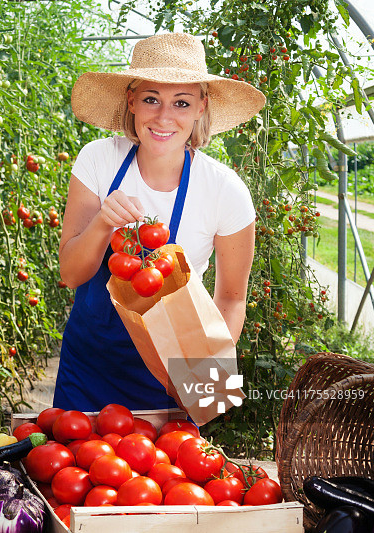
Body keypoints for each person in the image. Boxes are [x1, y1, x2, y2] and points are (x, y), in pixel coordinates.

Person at [54, 32, 266, 412]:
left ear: (201, 107)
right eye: (151, 99)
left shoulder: (224, 190)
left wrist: (205, 380)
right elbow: (71, 274)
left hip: (171, 374)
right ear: (132, 101)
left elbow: (232, 298)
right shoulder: (98, 161)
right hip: (87, 369)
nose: (163, 117)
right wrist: (103, 223)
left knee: (169, 471)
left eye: (181, 103)